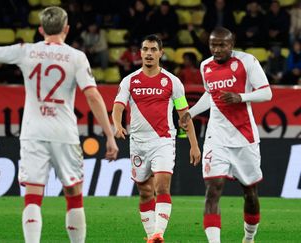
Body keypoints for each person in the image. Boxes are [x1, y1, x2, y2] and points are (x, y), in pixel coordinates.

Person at [0, 6, 119, 243]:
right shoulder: (76, 57)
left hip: (33, 133)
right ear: (67, 29)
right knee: (73, 194)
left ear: (40, 29)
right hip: (64, 133)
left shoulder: (25, 51)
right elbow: (92, 96)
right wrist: (109, 135)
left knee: (33, 195)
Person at [179, 27, 272, 243]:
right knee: (213, 190)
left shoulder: (247, 62)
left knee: (250, 193)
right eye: (213, 45)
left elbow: (267, 92)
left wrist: (241, 97)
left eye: (222, 45)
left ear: (232, 44)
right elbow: (210, 96)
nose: (217, 49)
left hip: (244, 138)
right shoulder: (205, 66)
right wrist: (190, 113)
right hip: (216, 138)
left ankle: (249, 238)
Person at [112, 34, 201, 243]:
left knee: (161, 186)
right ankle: (152, 235)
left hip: (163, 140)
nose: (149, 53)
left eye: (153, 50)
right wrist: (117, 125)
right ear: (141, 53)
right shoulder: (130, 81)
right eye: (145, 49)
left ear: (161, 53)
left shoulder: (172, 81)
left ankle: (158, 234)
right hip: (138, 143)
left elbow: (184, 115)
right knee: (145, 192)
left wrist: (194, 145)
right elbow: (118, 106)